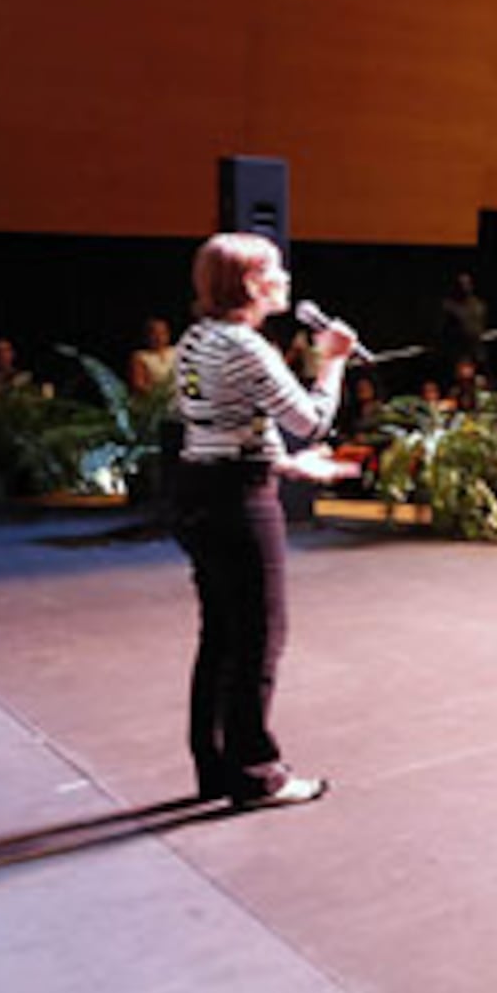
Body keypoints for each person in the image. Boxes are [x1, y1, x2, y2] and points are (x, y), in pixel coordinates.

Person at [172, 233, 358, 806]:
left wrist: (289, 466)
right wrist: (333, 363)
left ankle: (215, 767)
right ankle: (255, 772)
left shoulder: (198, 338)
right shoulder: (247, 346)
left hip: (200, 490)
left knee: (221, 636)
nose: (285, 277)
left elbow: (219, 424)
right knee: (258, 638)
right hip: (238, 503)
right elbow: (311, 419)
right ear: (252, 284)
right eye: (275, 269)